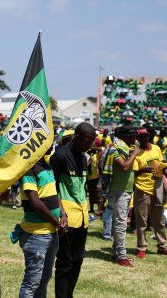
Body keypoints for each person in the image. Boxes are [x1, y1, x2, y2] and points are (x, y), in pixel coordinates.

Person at [50, 122, 96, 297]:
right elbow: (51, 188)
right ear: (77, 137)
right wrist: (60, 213)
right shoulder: (60, 156)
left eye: (93, 140)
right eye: (89, 140)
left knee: (77, 260)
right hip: (66, 219)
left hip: (82, 218)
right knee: (64, 263)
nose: (91, 144)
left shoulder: (83, 157)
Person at [16, 147, 60, 297]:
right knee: (32, 283)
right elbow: (34, 202)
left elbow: (54, 194)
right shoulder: (29, 168)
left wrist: (63, 215)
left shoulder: (46, 165)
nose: (51, 145)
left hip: (51, 232)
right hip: (36, 235)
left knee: (43, 279)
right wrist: (56, 221)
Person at [133, 126, 167, 259]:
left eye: (145, 136)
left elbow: (161, 162)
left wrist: (163, 168)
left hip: (157, 187)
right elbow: (134, 172)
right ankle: (142, 248)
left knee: (159, 220)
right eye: (141, 137)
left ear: (148, 136)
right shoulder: (136, 152)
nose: (144, 138)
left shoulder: (157, 148)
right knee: (142, 222)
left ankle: (162, 247)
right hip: (142, 189)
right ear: (138, 138)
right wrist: (144, 170)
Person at [107, 126, 142, 267]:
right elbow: (125, 167)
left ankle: (116, 252)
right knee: (121, 223)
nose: (135, 138)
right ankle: (121, 256)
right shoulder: (116, 149)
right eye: (133, 135)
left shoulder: (125, 148)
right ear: (125, 137)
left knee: (119, 222)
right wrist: (134, 154)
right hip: (118, 190)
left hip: (125, 190)